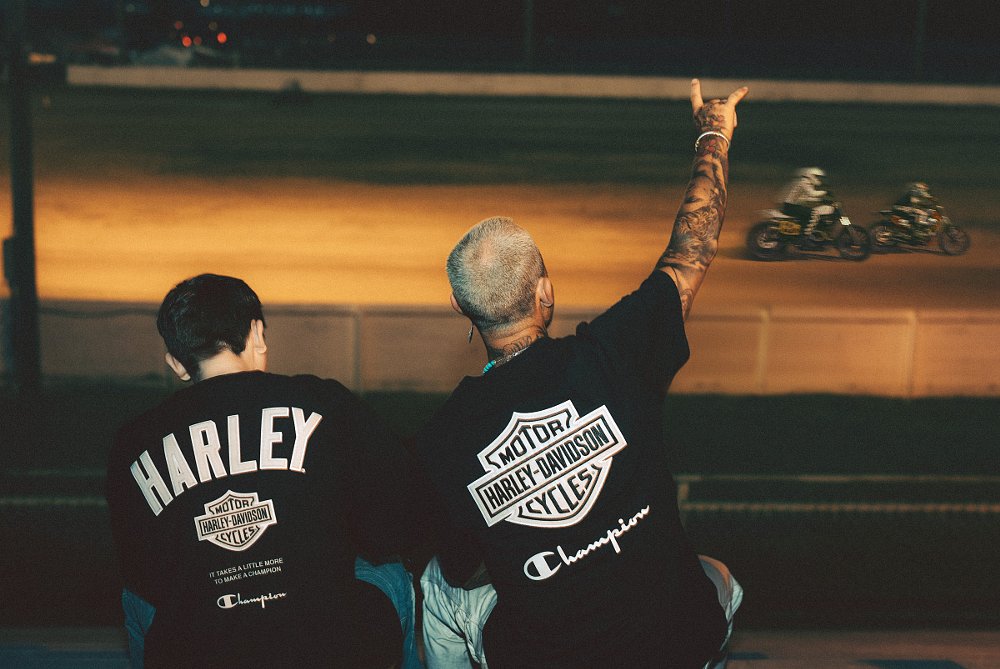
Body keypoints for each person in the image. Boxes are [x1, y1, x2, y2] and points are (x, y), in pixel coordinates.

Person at [414, 79, 747, 669]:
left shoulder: (445, 437)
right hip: (677, 638)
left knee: (437, 588)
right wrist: (713, 135)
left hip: (547, 655)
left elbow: (463, 567)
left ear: (461, 309)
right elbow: (691, 248)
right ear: (545, 289)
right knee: (718, 577)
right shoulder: (616, 351)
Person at [106, 274, 424, 669]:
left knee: (135, 596)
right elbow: (400, 521)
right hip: (331, 650)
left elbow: (142, 569)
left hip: (201, 652)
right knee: (389, 567)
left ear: (177, 364)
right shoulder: (323, 400)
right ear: (256, 334)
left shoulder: (133, 441)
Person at [779, 166, 836, 238]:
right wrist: (825, 192)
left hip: (794, 206)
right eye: (817, 177)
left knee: (809, 214)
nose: (819, 179)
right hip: (791, 206)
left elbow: (808, 198)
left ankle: (806, 233)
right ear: (811, 175)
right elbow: (812, 194)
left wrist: (822, 200)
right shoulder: (805, 182)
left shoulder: (808, 183)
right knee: (814, 213)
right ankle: (805, 237)